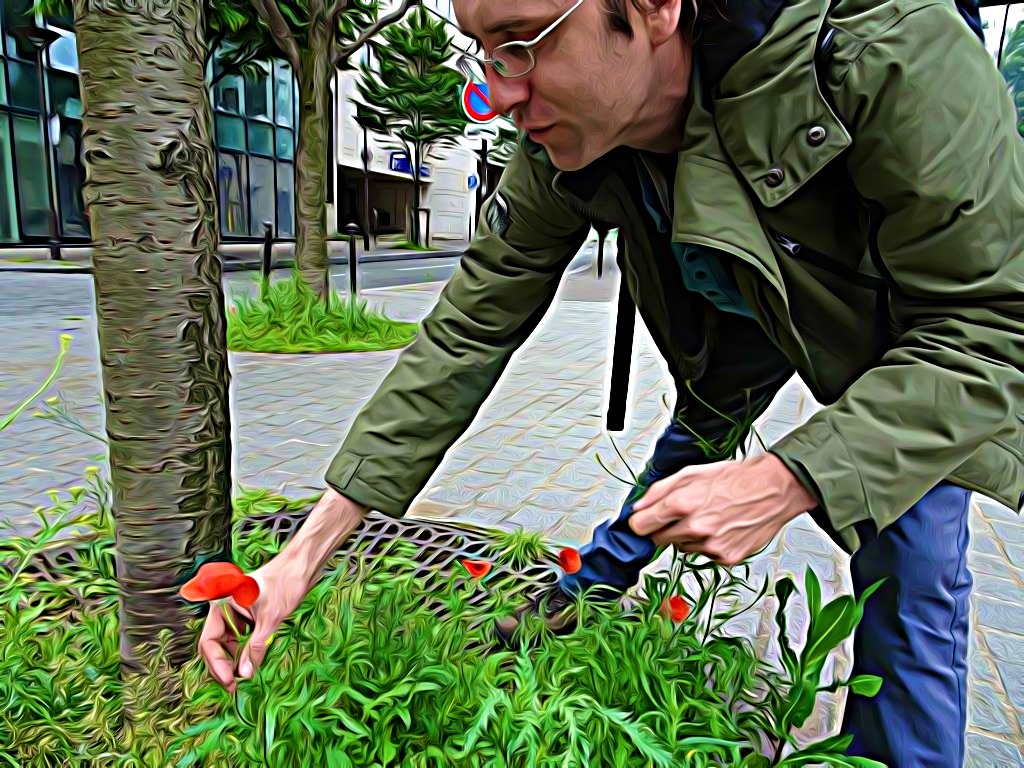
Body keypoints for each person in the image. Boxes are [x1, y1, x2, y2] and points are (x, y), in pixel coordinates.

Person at [198, 0, 1024, 764]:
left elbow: (997, 327)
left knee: (908, 569)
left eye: (523, 43)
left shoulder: (887, 52)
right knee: (695, 451)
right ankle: (590, 587)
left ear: (658, 9)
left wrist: (791, 477)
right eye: (482, 53)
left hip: (902, 352)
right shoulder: (565, 141)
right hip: (738, 324)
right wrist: (303, 556)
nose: (503, 92)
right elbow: (466, 330)